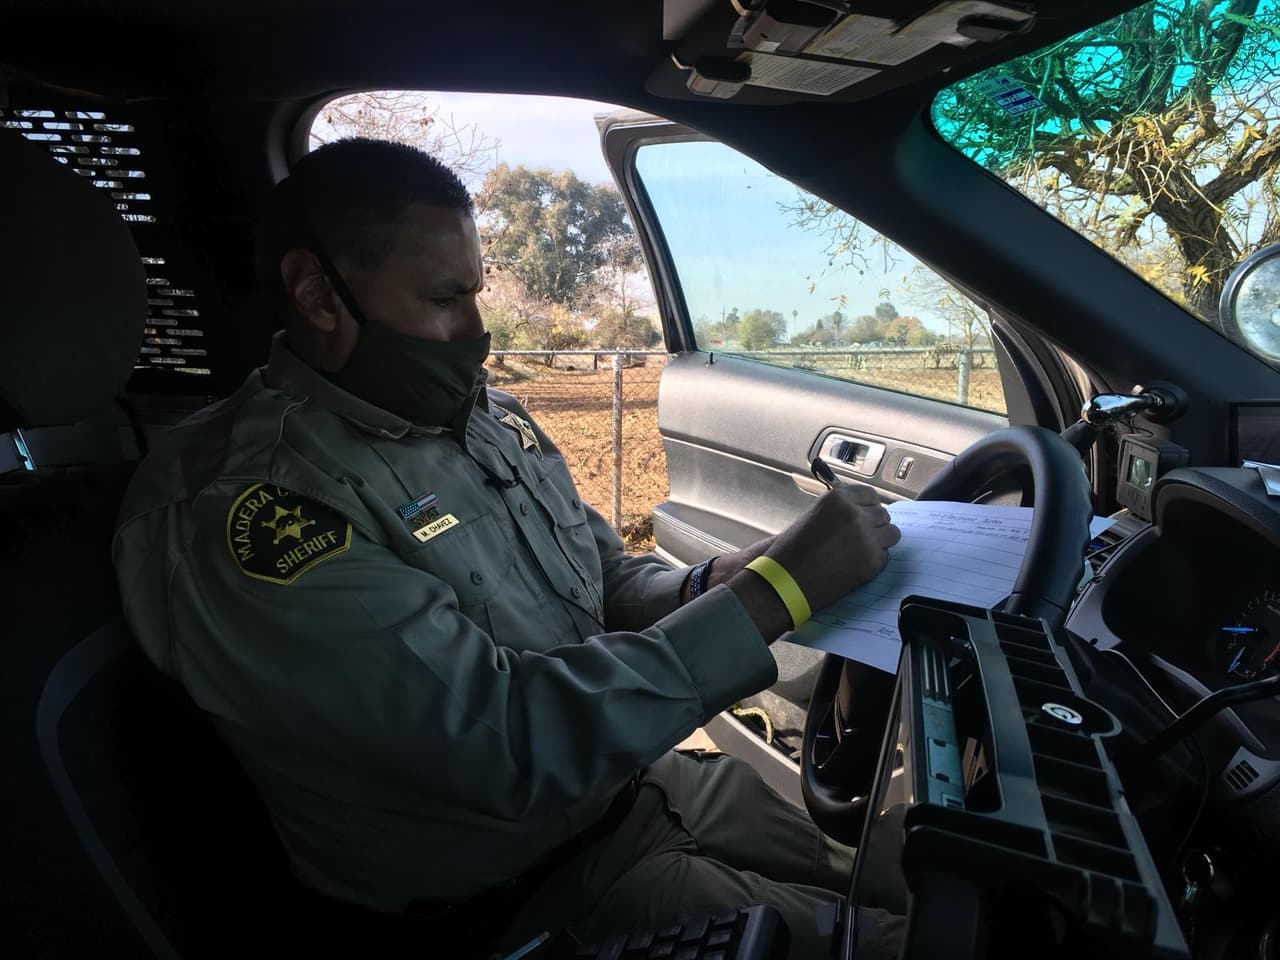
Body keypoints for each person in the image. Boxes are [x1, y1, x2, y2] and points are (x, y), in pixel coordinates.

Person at [113, 138, 902, 958]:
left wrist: (716, 579)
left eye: (476, 295)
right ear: (318, 294)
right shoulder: (255, 509)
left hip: (643, 785)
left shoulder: (480, 418)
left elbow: (601, 580)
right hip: (531, 895)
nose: (477, 335)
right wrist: (774, 593)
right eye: (446, 300)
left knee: (925, 867)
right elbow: (503, 747)